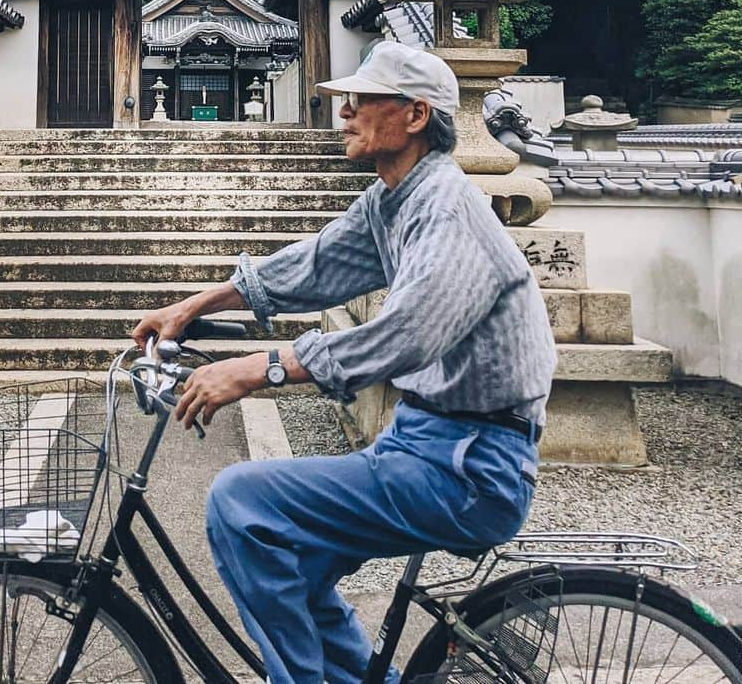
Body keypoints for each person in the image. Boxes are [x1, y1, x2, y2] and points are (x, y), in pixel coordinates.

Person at [131, 40, 557, 684]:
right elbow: (315, 265)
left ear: (415, 116)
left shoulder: (446, 207)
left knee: (241, 502)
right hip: (425, 443)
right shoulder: (394, 199)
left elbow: (405, 334)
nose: (345, 111)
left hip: (471, 462)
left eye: (361, 99)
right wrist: (193, 304)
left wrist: (258, 367)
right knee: (288, 556)